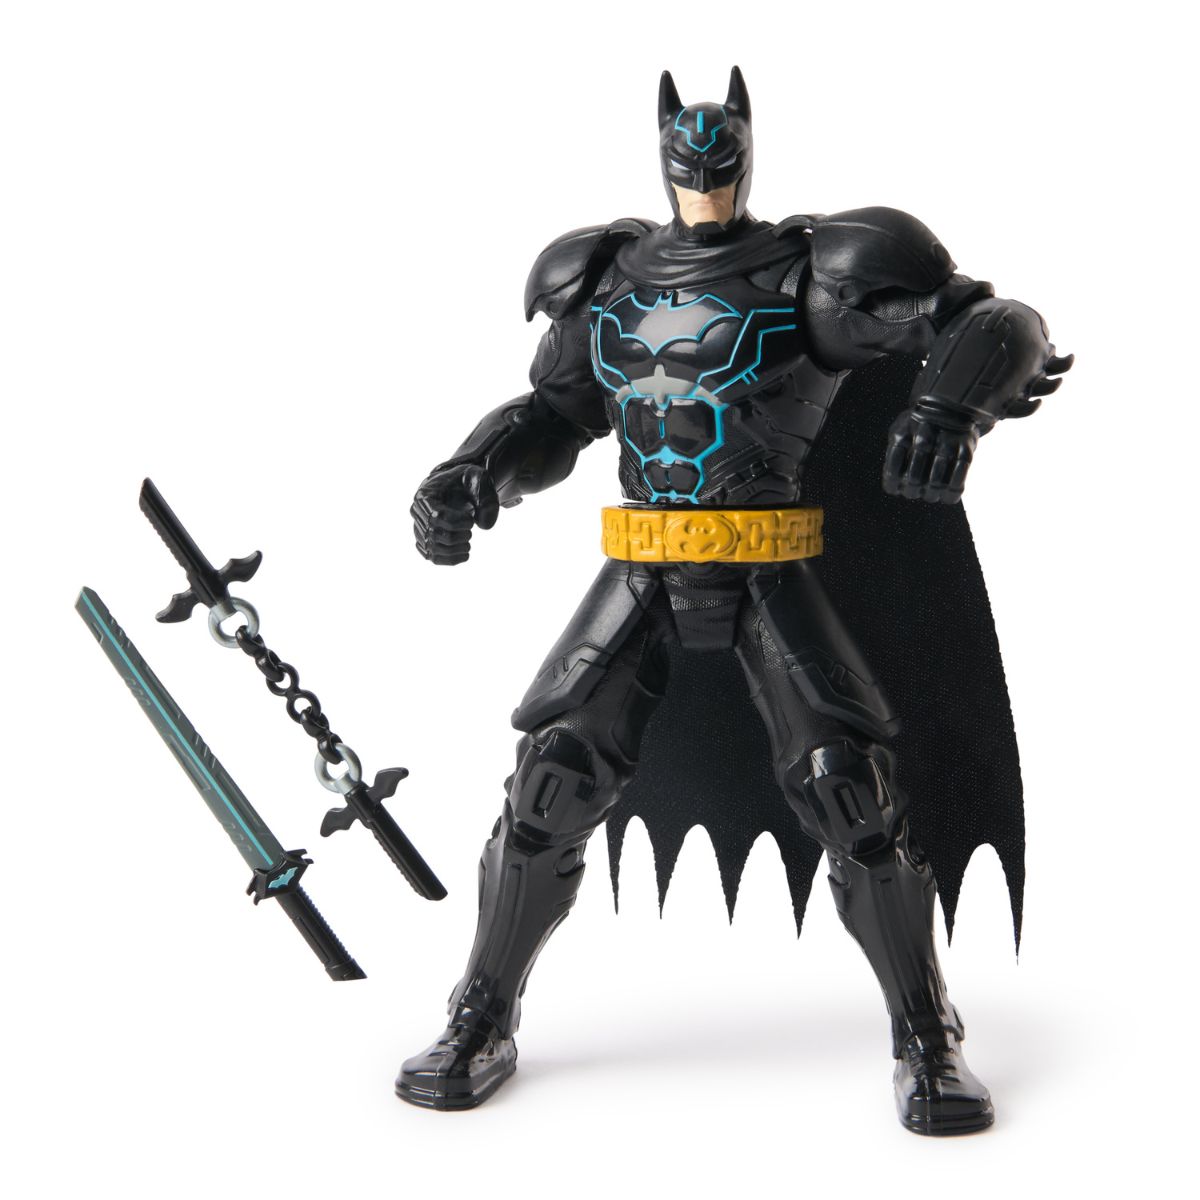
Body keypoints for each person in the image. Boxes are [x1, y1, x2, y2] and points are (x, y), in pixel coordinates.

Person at [397, 66, 1070, 1135]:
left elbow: (991, 319)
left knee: (850, 793)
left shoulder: (816, 270)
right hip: (645, 563)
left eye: (723, 146)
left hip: (768, 562)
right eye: (687, 145)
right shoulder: (602, 278)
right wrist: (471, 472)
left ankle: (926, 1033)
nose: (705, 165)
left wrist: (950, 408)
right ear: (660, 145)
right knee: (550, 784)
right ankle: (481, 1014)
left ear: (749, 145)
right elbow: (555, 415)